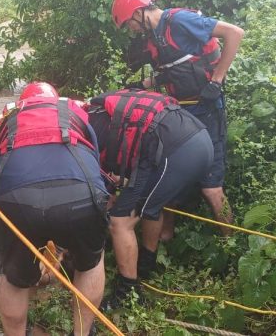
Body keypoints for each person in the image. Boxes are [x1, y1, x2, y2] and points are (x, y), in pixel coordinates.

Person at [112, 0, 244, 256]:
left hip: (207, 111)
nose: (131, 30)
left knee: (211, 189)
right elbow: (177, 69)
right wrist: (143, 84)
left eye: (130, 24)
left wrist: (217, 81)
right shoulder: (155, 39)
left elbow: (235, 34)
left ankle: (234, 248)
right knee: (166, 173)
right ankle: (167, 238)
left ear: (140, 12)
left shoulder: (180, 21)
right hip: (181, 112)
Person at [0, 82, 108, 336]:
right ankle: (82, 333)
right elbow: (94, 158)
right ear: (56, 100)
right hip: (79, 192)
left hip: (16, 198)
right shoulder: (74, 109)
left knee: (14, 280)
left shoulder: (6, 117)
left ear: (23, 102)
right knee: (90, 264)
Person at [88, 89, 213, 310]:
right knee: (149, 205)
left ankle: (127, 291)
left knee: (120, 222)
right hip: (199, 139)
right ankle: (146, 266)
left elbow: (98, 186)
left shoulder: (89, 127)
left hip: (174, 150)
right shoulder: (101, 112)